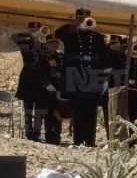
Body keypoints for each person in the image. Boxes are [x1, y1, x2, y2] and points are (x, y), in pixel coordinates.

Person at [55, 9, 109, 148]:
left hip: (92, 74)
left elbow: (103, 58)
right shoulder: (70, 35)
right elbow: (57, 34)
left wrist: (102, 79)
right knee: (77, 109)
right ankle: (78, 141)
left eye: (86, 19)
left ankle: (90, 141)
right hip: (75, 74)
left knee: (90, 110)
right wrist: (73, 27)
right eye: (80, 18)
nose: (84, 21)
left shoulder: (97, 37)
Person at [13, 22, 49, 142]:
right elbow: (14, 37)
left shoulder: (44, 41)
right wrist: (31, 35)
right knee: (28, 106)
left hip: (40, 76)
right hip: (27, 76)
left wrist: (41, 36)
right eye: (32, 29)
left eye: (36, 29)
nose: (35, 30)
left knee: (40, 106)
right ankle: (29, 131)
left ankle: (37, 132)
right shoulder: (24, 40)